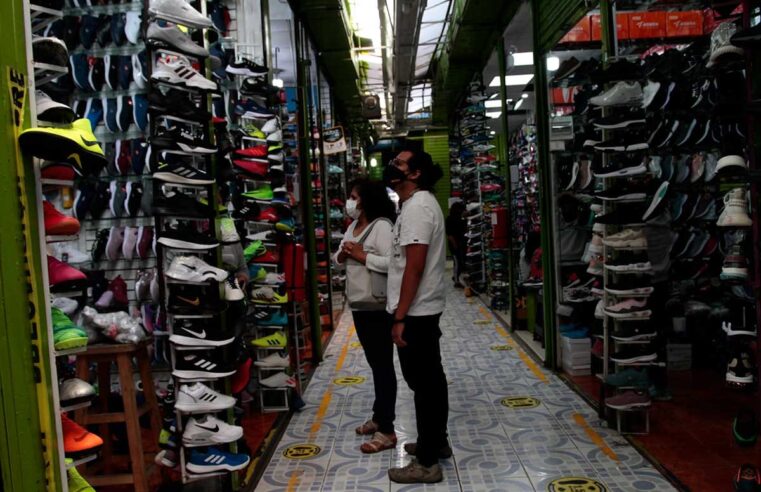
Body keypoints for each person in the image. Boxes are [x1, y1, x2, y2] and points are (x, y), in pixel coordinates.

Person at [383, 149, 449, 484]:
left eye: (399, 163)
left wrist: (400, 317)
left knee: (423, 386)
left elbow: (415, 267)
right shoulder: (414, 205)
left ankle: (427, 463)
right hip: (420, 309)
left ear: (415, 173)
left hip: (416, 312)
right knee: (430, 381)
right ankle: (435, 443)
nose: (391, 166)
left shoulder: (418, 208)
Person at [333, 179, 398, 453]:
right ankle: (379, 416)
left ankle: (387, 429)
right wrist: (343, 255)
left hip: (378, 307)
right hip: (360, 305)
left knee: (383, 365)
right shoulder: (352, 227)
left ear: (366, 199)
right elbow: (338, 258)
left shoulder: (382, 226)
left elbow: (394, 263)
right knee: (375, 364)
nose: (350, 201)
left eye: (353, 196)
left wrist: (361, 256)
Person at [445, 201, 466, 288]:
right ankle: (456, 280)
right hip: (455, 244)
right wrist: (455, 245)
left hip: (458, 243)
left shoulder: (457, 218)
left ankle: (455, 276)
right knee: (457, 262)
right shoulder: (451, 219)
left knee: (458, 261)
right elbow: (449, 234)